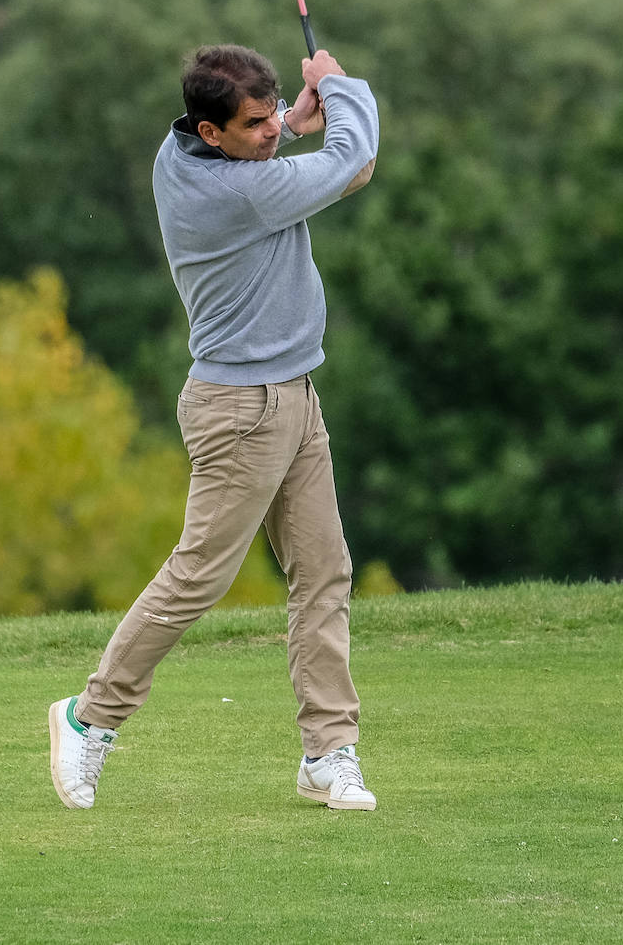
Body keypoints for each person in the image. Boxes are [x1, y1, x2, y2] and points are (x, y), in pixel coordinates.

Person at [48, 44, 380, 812]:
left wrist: (289, 123)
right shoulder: (239, 196)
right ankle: (88, 716)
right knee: (199, 576)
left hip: (292, 393)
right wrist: (335, 84)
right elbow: (356, 158)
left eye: (271, 118)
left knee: (323, 570)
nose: (271, 131)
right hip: (241, 409)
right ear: (211, 129)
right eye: (255, 123)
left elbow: (262, 154)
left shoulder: (179, 152)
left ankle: (328, 752)